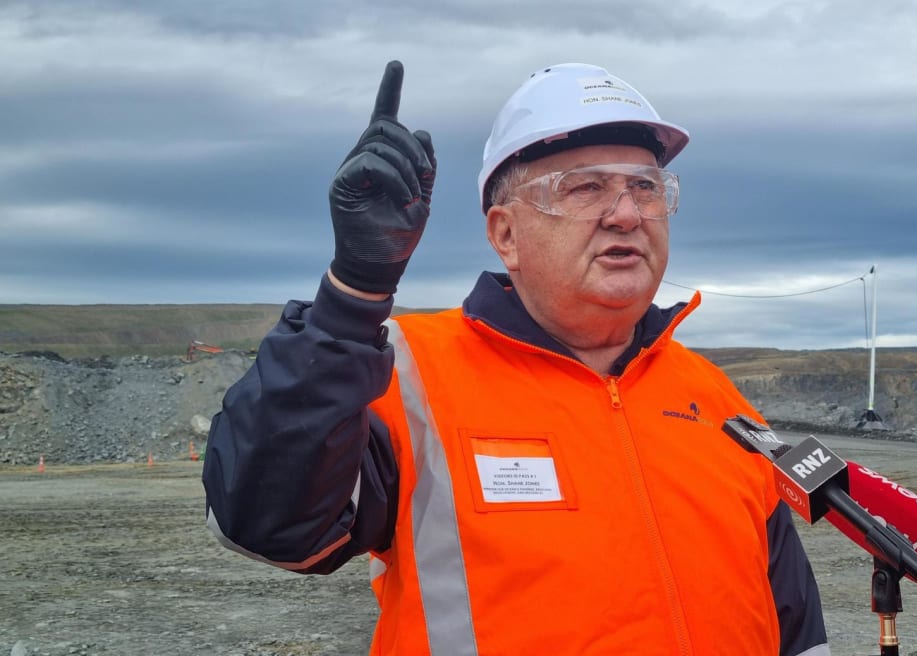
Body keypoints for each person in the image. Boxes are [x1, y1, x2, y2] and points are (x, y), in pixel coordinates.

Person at [202, 60, 829, 656]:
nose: (626, 214)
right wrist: (352, 295)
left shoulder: (715, 400)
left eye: (645, 187)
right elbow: (268, 525)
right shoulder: (406, 376)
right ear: (506, 234)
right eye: (585, 187)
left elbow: (795, 623)